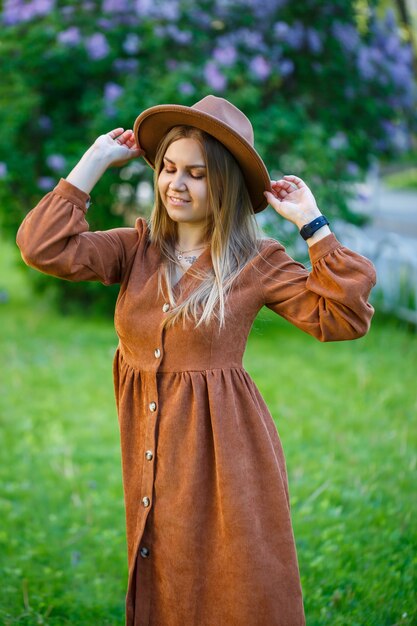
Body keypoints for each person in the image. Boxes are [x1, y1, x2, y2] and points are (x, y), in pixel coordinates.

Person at [16, 95, 376, 626]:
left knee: (236, 575)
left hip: (226, 454)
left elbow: (343, 317)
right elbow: (43, 247)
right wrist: (92, 161)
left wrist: (312, 224)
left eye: (197, 174)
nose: (175, 184)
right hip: (149, 445)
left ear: (225, 185)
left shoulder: (256, 262)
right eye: (168, 168)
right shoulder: (135, 249)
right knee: (163, 562)